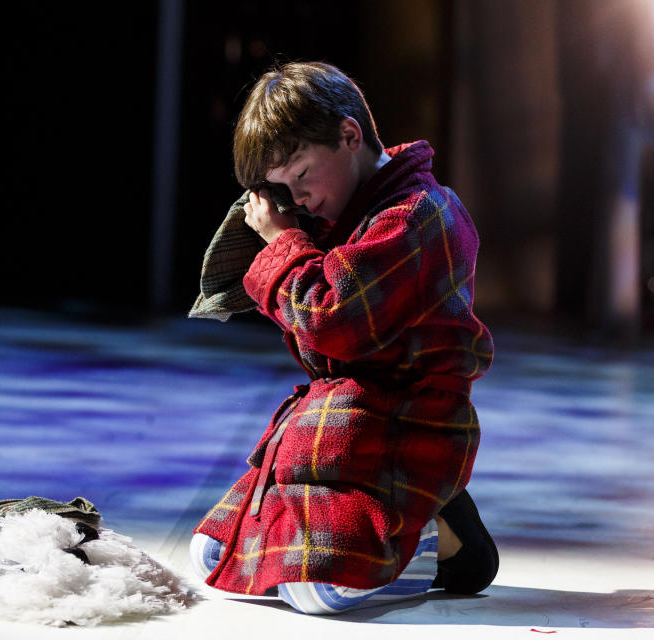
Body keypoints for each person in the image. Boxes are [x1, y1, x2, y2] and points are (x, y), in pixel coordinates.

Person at [189, 61, 498, 615]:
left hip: (402, 426)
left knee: (318, 591)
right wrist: (293, 240)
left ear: (350, 135)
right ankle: (408, 528)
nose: (298, 199)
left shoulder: (420, 214)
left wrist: (282, 244)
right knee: (211, 555)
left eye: (302, 174)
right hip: (336, 430)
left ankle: (441, 539)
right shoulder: (340, 219)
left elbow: (331, 317)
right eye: (282, 189)